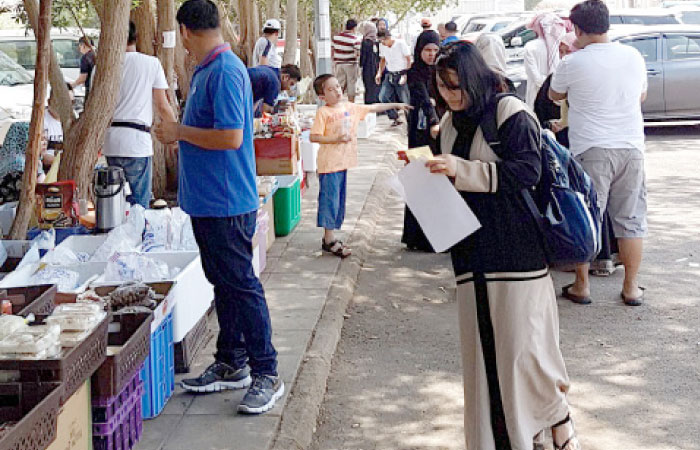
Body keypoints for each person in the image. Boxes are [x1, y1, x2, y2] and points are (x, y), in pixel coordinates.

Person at [426, 41, 581, 450]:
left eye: (455, 86)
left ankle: (556, 420)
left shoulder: (509, 112)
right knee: (484, 360)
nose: (449, 96)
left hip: (518, 255)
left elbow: (526, 172)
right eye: (442, 88)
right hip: (471, 257)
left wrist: (461, 170)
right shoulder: (450, 122)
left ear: (475, 78)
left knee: (526, 355)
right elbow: (453, 184)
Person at [155, 0, 283, 415]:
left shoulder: (226, 71)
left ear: (188, 32)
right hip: (208, 201)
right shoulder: (207, 69)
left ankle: (267, 371)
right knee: (224, 283)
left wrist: (178, 131)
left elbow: (229, 136)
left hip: (226, 201)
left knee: (242, 285)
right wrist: (181, 132)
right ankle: (232, 361)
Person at [550, 0, 648, 306]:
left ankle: (582, 285)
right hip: (631, 147)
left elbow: (554, 95)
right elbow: (641, 95)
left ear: (578, 29)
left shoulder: (572, 63)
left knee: (586, 217)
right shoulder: (633, 56)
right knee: (631, 219)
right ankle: (631, 288)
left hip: (591, 148)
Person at [309, 74, 410, 258]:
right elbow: (314, 136)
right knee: (329, 201)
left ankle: (330, 236)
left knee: (338, 201)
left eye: (338, 86)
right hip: (328, 165)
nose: (337, 91)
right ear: (322, 96)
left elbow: (372, 108)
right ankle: (329, 239)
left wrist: (396, 105)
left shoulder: (349, 107)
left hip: (342, 164)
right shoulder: (323, 113)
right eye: (330, 89)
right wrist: (336, 139)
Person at [102, 22, 176, 209]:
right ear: (137, 37)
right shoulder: (151, 63)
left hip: (111, 141)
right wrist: (176, 133)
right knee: (139, 206)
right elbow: (162, 105)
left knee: (115, 204)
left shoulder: (103, 66)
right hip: (137, 142)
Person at [402, 30, 440, 252]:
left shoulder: (441, 70)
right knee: (420, 178)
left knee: (437, 180)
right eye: (427, 50)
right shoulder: (415, 72)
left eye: (435, 50)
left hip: (437, 132)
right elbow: (424, 100)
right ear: (419, 50)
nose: (431, 55)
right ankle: (417, 236)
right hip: (420, 133)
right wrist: (434, 117)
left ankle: (436, 235)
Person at [524, 12, 568, 109]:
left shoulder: (530, 47)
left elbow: (535, 76)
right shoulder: (560, 47)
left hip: (536, 96)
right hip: (556, 96)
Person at [375, 29, 411, 127]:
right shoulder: (382, 46)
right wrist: (379, 73)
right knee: (383, 97)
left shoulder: (400, 44)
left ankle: (411, 122)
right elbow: (382, 60)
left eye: (383, 40)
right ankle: (394, 117)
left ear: (389, 38)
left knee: (405, 99)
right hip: (390, 73)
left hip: (401, 73)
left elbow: (408, 59)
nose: (382, 43)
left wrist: (406, 74)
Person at [41, 84, 75, 170]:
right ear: (49, 102)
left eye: (71, 102)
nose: (66, 106)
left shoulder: (74, 119)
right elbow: (40, 157)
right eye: (61, 101)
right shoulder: (41, 121)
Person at [332, 19, 362, 103]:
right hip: (351, 64)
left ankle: (337, 102)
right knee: (351, 83)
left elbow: (332, 49)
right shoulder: (355, 39)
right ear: (354, 28)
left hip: (338, 64)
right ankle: (351, 103)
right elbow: (358, 53)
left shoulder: (336, 37)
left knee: (340, 84)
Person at [359, 21, 381, 104]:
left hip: (368, 68)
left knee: (368, 87)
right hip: (377, 67)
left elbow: (363, 57)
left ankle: (369, 104)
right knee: (376, 86)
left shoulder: (365, 42)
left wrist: (360, 65)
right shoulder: (377, 41)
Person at [71, 36, 96, 102]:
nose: (79, 49)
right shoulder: (96, 54)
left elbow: (83, 78)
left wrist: (72, 85)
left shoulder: (85, 58)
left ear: (83, 45)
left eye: (79, 46)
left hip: (90, 88)